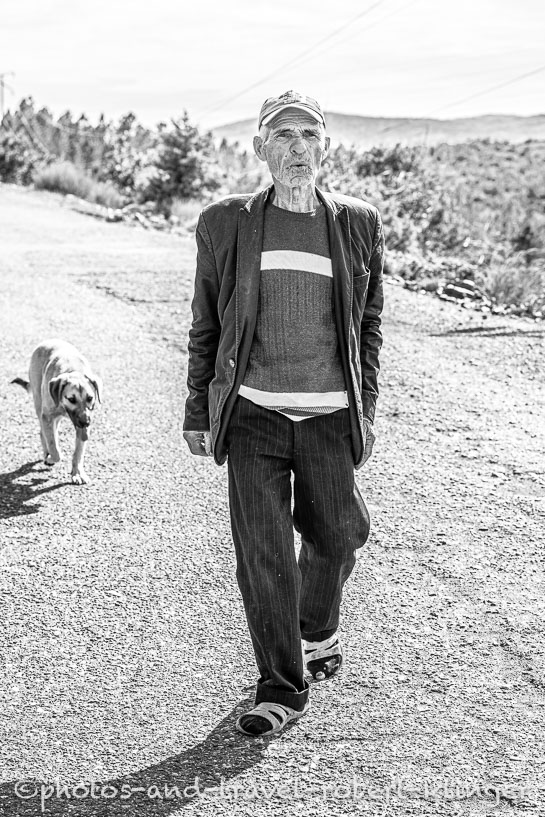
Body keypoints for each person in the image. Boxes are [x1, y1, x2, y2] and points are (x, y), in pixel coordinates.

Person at [183, 90, 384, 737]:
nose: (298, 147)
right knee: (263, 552)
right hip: (253, 414)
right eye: (283, 135)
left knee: (339, 533)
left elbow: (369, 325)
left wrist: (366, 406)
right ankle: (280, 685)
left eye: (309, 135)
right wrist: (197, 409)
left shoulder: (358, 222)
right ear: (259, 148)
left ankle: (315, 626)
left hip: (329, 414)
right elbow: (205, 325)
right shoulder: (224, 223)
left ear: (323, 146)